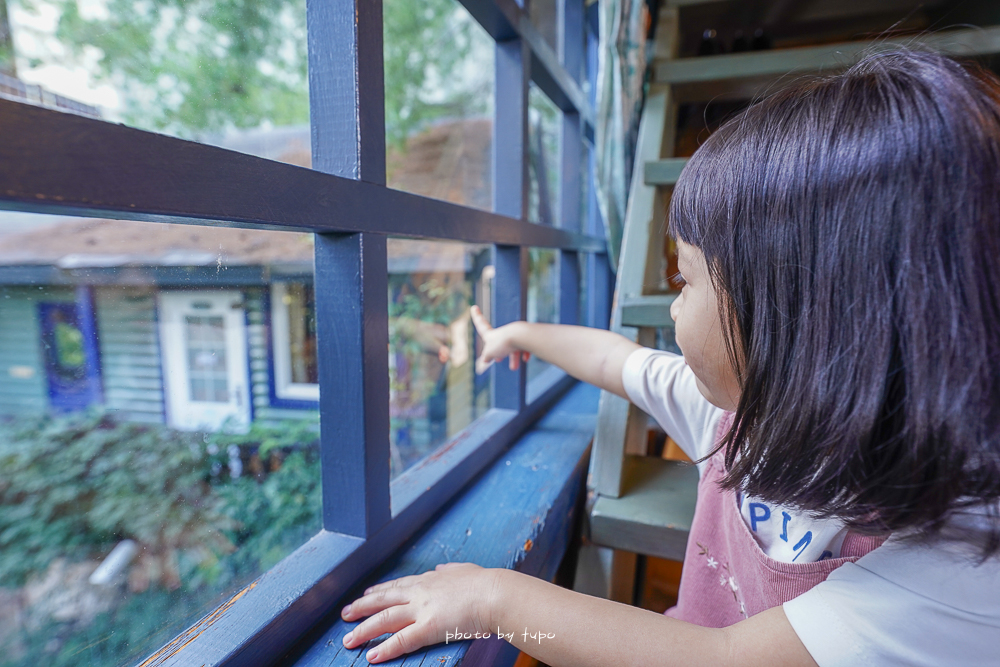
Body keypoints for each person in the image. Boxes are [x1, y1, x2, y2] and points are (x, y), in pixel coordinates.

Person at [337, 49, 1000, 666]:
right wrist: (520, 334)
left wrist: (493, 599)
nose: (673, 308)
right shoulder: (743, 418)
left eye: (686, 281)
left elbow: (722, 659)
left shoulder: (959, 556)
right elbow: (614, 360)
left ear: (805, 317)